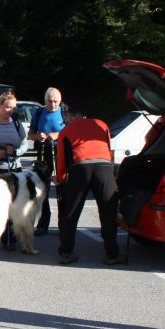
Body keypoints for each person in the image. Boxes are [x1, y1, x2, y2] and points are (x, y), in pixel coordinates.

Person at [54, 103, 121, 265]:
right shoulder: (102, 124)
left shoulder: (66, 131)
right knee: (108, 211)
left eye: (67, 118)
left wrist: (61, 177)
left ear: (70, 117)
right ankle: (112, 254)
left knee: (71, 212)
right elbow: (108, 148)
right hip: (104, 168)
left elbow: (61, 158)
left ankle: (66, 253)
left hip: (80, 168)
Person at [28, 88, 65, 235]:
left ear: (60, 100)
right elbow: (30, 135)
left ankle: (64, 224)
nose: (53, 104)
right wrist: (39, 136)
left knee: (62, 188)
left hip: (61, 153)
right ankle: (43, 224)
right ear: (45, 101)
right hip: (43, 153)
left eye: (56, 101)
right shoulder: (38, 113)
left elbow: (72, 131)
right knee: (42, 189)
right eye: (50, 101)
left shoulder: (65, 112)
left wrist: (56, 135)